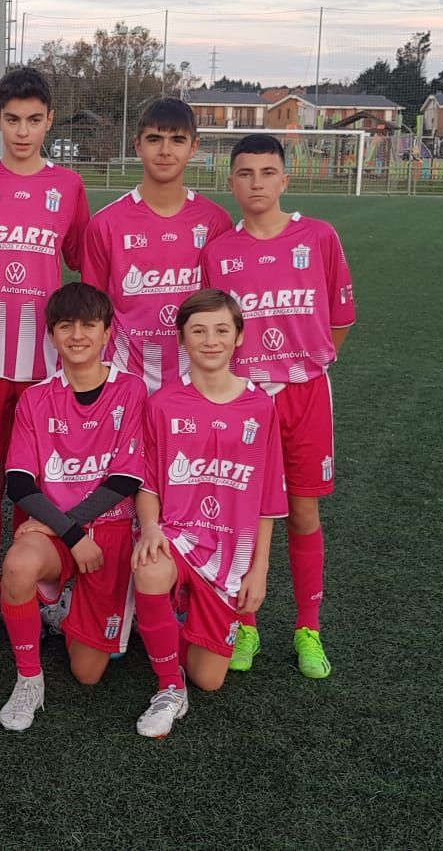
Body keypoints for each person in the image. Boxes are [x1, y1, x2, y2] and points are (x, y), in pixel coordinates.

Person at [201, 133, 355, 679]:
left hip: (305, 394)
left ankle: (308, 628)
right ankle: (245, 626)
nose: (257, 183)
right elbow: (211, 328)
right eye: (245, 173)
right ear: (231, 182)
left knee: (304, 511)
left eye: (267, 173)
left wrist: (302, 365)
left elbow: (339, 321)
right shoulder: (219, 252)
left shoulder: (318, 236)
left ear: (285, 179)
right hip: (244, 400)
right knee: (243, 513)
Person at [0, 68, 91, 643]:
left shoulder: (69, 187)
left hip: (44, 366)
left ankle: (33, 586)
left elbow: (85, 259)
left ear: (50, 120)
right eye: (12, 120)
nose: (23, 131)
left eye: (34, 120)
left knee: (38, 479)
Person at [130, 288, 286, 738]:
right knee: (151, 569)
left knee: (211, 679)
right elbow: (148, 483)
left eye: (221, 330)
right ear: (182, 339)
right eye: (198, 331)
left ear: (239, 336)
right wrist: (151, 527)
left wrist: (259, 569)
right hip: (177, 536)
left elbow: (268, 499)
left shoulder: (261, 406)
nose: (211, 340)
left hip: (230, 556)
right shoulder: (162, 404)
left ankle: (166, 623)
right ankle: (168, 687)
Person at [0, 282, 147, 731]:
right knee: (18, 565)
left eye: (89, 325)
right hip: (59, 533)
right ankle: (29, 679)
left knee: (88, 673)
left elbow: (126, 478)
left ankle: (64, 608)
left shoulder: (132, 390)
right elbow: (19, 483)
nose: (77, 335)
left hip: (109, 532)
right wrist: (71, 534)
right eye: (66, 326)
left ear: (107, 334)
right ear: (52, 335)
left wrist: (69, 527)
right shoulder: (36, 398)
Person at [82, 97, 233, 395]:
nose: (165, 151)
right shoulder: (106, 224)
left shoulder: (216, 222)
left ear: (194, 147)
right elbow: (93, 313)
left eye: (177, 140)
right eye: (154, 139)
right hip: (124, 381)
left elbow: (223, 309)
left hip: (196, 382)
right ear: (137, 145)